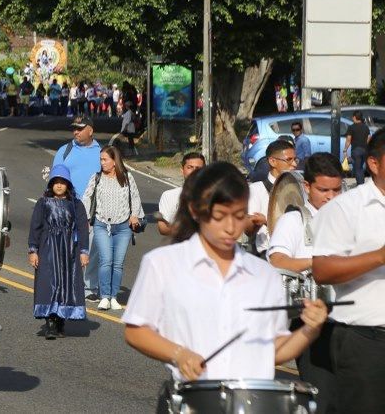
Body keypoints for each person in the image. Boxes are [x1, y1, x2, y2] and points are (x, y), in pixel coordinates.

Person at [123, 162, 327, 408]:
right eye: (220, 216)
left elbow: (274, 350)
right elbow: (136, 330)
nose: (231, 228)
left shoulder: (265, 275)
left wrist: (309, 330)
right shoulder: (162, 264)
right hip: (193, 401)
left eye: (240, 216)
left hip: (252, 403)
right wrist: (179, 354)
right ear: (196, 210)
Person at [312, 129, 385, 412]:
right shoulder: (346, 208)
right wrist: (379, 257)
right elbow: (323, 269)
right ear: (374, 164)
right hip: (367, 340)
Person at [267, 152, 343, 409]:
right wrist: (316, 263)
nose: (331, 197)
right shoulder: (294, 219)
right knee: (322, 396)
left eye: (336, 190)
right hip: (310, 319)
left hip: (350, 319)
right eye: (324, 190)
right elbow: (277, 260)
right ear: (307, 186)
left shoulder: (348, 217)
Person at [29, 164, 89, 339]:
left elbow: (83, 229)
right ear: (51, 184)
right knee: (49, 283)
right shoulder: (43, 202)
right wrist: (33, 250)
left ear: (69, 184)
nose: (60, 185)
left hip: (69, 249)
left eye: (63, 182)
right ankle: (50, 322)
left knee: (66, 283)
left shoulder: (76, 204)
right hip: (48, 248)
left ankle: (60, 320)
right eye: (56, 182)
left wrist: (83, 251)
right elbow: (35, 227)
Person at [82, 146, 144, 310]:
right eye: (101, 159)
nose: (102, 163)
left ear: (114, 161)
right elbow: (86, 198)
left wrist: (134, 215)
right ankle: (104, 297)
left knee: (117, 264)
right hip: (102, 225)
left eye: (105, 159)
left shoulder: (127, 177)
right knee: (106, 261)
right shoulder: (96, 178)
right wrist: (87, 218)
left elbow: (135, 198)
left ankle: (113, 297)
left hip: (123, 227)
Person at [51, 115, 103, 300]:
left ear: (91, 130)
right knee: (66, 247)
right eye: (74, 128)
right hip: (68, 207)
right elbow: (54, 180)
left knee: (91, 248)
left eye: (80, 129)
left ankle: (89, 287)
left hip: (93, 210)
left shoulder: (102, 153)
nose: (76, 132)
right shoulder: (64, 151)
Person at [247, 138, 297, 255]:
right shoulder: (256, 189)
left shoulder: (299, 187)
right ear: (272, 161)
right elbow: (248, 229)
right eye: (289, 160)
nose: (294, 164)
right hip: (268, 254)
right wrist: (265, 222)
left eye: (295, 159)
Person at [156, 152, 206, 237]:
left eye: (198, 168)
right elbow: (162, 228)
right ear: (182, 170)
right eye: (190, 167)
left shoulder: (214, 196)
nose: (194, 171)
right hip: (178, 247)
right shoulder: (169, 195)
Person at [344, 111, 370, 185]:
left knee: (358, 169)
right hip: (364, 150)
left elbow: (348, 140)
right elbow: (369, 137)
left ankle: (360, 185)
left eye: (353, 117)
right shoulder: (365, 127)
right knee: (360, 167)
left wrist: (345, 150)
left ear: (354, 117)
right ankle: (361, 183)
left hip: (356, 150)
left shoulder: (351, 127)